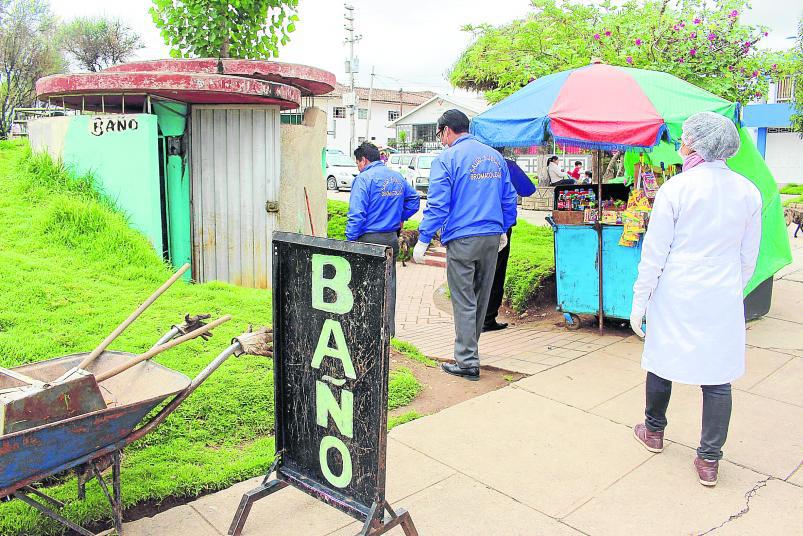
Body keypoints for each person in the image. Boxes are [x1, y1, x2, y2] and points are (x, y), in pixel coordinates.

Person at [630, 112, 762, 487]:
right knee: (717, 377)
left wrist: (640, 302)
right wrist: (728, 289)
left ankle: (653, 431)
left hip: (676, 290)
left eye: (685, 138)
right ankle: (708, 460)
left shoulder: (677, 188)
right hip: (721, 292)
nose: (681, 143)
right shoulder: (747, 191)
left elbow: (654, 254)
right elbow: (747, 259)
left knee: (661, 359)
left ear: (697, 145)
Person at [412, 110, 517, 381]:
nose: (441, 140)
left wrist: (423, 240)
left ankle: (468, 361)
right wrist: (505, 228)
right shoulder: (494, 157)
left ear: (447, 130)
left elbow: (438, 205)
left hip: (463, 238)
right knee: (482, 297)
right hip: (492, 236)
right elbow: (508, 197)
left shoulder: (446, 159)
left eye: (440, 134)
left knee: (463, 299)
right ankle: (471, 350)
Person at [346, 142, 420, 336]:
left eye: (357, 163)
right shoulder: (396, 177)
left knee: (363, 284)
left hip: (368, 239)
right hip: (390, 239)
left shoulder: (363, 179)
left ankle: (366, 330)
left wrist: (350, 241)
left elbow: (357, 214)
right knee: (389, 284)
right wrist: (400, 217)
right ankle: (388, 330)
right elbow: (414, 201)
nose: (358, 167)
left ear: (364, 160)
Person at [483, 150, 537, 332]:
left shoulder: (467, 163)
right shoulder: (507, 165)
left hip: (471, 227)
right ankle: (487, 319)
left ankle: (471, 321)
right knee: (495, 274)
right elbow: (528, 189)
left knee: (473, 275)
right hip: (500, 227)